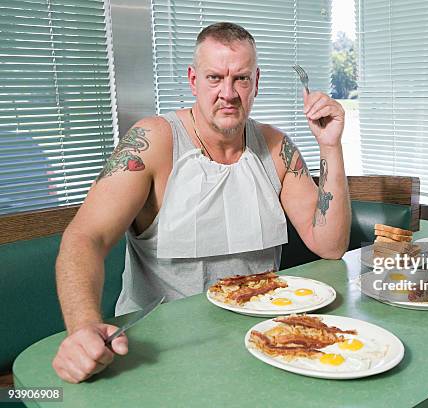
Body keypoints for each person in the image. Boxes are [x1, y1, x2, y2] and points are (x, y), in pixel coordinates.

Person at [51, 22, 350, 383]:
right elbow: (85, 237)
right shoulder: (152, 142)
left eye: (241, 78)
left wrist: (330, 144)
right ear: (193, 80)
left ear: (257, 82)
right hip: (157, 349)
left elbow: (331, 246)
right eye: (214, 78)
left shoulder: (276, 146)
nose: (228, 93)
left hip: (262, 342)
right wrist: (82, 326)